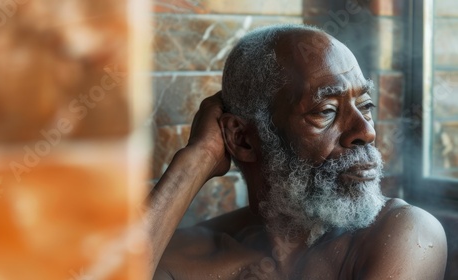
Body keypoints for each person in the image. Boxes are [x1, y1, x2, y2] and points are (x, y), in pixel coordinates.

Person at [145, 24, 447, 279]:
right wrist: (196, 160)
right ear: (243, 139)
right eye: (326, 111)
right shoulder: (189, 254)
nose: (366, 132)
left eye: (365, 106)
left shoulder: (403, 232)